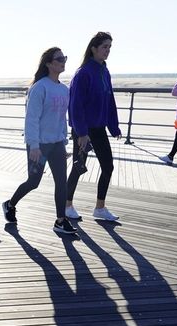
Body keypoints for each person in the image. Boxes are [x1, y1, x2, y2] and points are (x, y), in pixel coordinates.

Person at [2, 47, 76, 235]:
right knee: (34, 182)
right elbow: (32, 118)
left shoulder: (63, 89)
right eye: (59, 59)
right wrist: (34, 146)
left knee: (62, 182)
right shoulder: (39, 88)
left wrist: (64, 141)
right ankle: (10, 204)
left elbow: (62, 119)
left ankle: (60, 221)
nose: (63, 61)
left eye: (64, 58)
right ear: (49, 63)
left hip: (57, 144)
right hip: (40, 146)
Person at [65, 32, 122, 221]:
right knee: (78, 167)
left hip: (99, 129)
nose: (108, 51)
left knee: (108, 166)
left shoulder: (104, 72)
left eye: (110, 47)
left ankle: (100, 208)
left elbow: (110, 100)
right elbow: (75, 105)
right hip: (84, 130)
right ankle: (67, 205)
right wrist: (81, 133)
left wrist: (114, 127)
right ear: (94, 49)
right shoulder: (83, 73)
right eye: (105, 47)